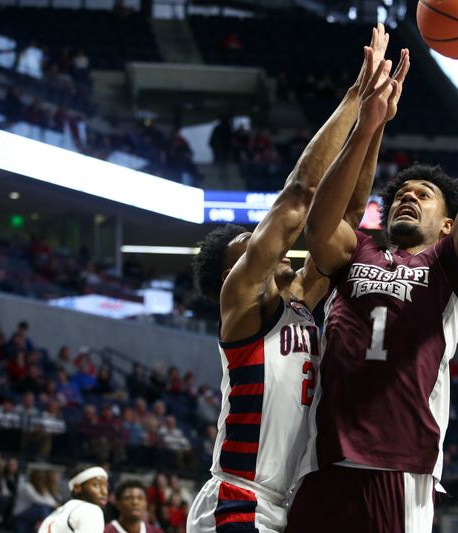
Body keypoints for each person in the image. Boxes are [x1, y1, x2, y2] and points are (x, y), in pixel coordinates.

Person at [288, 1, 458, 530]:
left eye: (425, 195)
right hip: (322, 462)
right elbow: (320, 224)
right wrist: (367, 126)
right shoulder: (358, 252)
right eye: (401, 194)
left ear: (448, 224)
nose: (409, 197)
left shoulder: (451, 267)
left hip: (399, 465)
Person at [187, 26, 409, 533]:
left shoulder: (301, 302)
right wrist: (356, 98)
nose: (267, 243)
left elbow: (346, 218)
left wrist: (372, 127)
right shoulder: (242, 303)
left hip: (294, 505)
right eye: (250, 242)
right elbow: (300, 197)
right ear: (232, 270)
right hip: (236, 500)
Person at [37, 465, 108, 533]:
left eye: (106, 486)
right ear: (77, 487)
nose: (104, 492)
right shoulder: (91, 510)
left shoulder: (58, 512)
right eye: (96, 485)